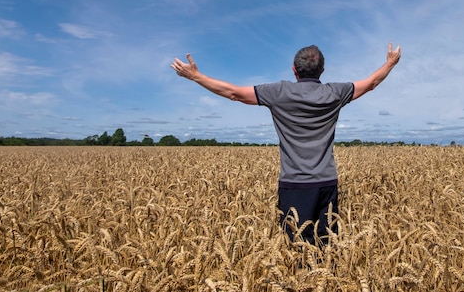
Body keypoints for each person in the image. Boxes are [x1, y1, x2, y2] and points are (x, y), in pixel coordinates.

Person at [171, 43, 401, 245]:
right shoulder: (335, 92)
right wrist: (390, 63)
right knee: (326, 248)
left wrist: (196, 77)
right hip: (326, 182)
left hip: (294, 184)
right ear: (322, 70)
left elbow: (234, 93)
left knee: (295, 250)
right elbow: (371, 83)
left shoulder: (278, 92)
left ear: (294, 69)